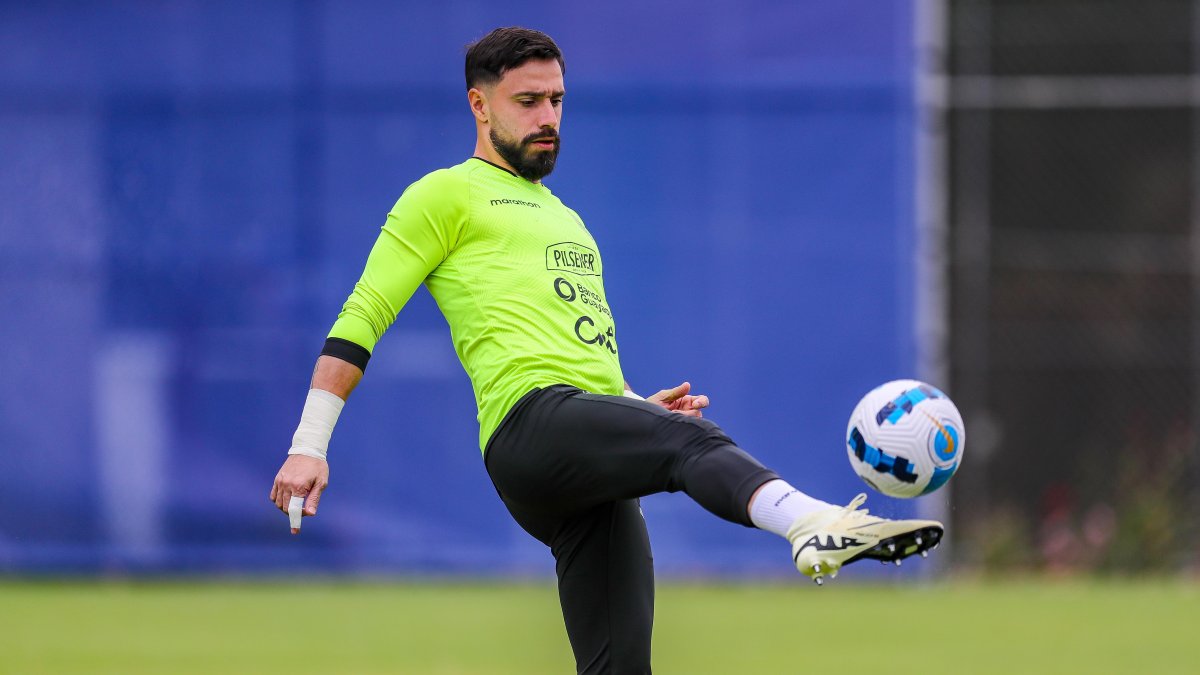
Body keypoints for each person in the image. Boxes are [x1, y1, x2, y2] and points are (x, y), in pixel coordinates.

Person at [270, 26, 943, 675]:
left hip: (576, 436)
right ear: (479, 104)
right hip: (528, 426)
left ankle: (768, 504)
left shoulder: (567, 219)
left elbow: (580, 354)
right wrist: (310, 442)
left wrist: (630, 409)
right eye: (527, 101)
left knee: (620, 664)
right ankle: (812, 524)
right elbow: (361, 317)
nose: (548, 117)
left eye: (557, 100)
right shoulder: (443, 194)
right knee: (693, 442)